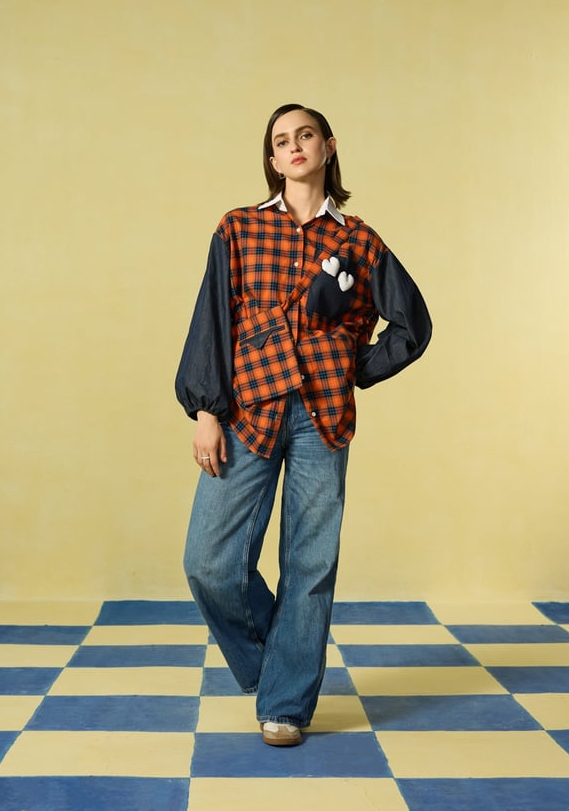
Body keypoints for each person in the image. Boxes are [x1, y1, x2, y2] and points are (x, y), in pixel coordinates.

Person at [175, 103, 431, 747]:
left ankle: (285, 704)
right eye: (281, 141)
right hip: (247, 410)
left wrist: (354, 366)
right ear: (271, 159)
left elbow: (413, 324)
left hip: (324, 416)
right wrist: (206, 411)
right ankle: (282, 668)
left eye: (305, 135)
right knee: (208, 562)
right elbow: (213, 320)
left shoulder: (359, 241)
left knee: (309, 564)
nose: (293, 147)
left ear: (327, 146)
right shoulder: (238, 229)